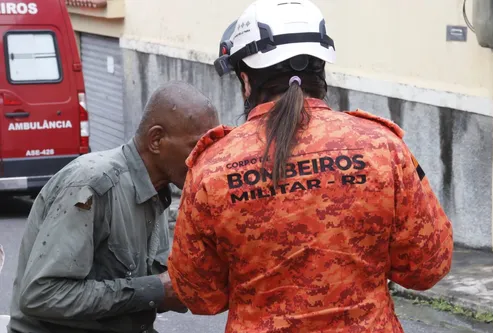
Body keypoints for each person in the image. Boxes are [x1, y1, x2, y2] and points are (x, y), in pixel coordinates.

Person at [166, 1, 454, 332]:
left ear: (246, 81)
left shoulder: (212, 167)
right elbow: (428, 266)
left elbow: (200, 296)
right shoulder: (384, 148)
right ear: (322, 69)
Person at [8, 81, 220, 333]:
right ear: (156, 140)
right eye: (198, 146)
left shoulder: (158, 189)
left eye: (212, 147)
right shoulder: (92, 184)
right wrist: (156, 289)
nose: (207, 159)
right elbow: (41, 295)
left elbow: (159, 286)